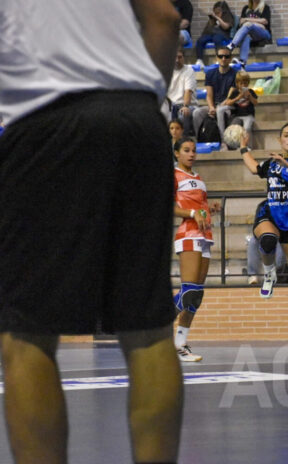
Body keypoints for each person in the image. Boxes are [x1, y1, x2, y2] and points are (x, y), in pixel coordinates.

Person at [0, 1, 183, 463]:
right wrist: (142, 107)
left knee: (27, 334)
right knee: (147, 329)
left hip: (47, 122)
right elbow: (164, 18)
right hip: (141, 121)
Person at [240, 123, 288, 349]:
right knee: (267, 240)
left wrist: (286, 164)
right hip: (271, 212)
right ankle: (269, 274)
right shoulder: (272, 161)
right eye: (286, 135)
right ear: (280, 139)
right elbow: (254, 168)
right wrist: (243, 148)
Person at [172, 138, 221, 362]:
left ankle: (180, 344)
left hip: (205, 235)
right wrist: (193, 214)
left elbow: (198, 207)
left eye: (193, 150)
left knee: (196, 296)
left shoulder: (197, 177)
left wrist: (209, 208)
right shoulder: (173, 175)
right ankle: (153, 329)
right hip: (187, 234)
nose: (191, 154)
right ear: (176, 153)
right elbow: (170, 205)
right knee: (189, 291)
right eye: (186, 150)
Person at [192, 47, 237, 139]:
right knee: (197, 112)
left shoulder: (235, 74)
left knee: (220, 111)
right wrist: (212, 107)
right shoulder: (210, 73)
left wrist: (217, 108)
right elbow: (209, 95)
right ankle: (199, 140)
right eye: (220, 56)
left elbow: (230, 97)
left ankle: (223, 141)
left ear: (230, 58)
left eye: (226, 56)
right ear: (216, 58)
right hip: (215, 104)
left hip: (229, 105)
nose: (223, 59)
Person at [226, 0, 272, 68]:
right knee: (246, 36)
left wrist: (248, 21)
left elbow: (265, 21)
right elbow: (241, 22)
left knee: (248, 24)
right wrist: (257, 23)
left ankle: (232, 45)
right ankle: (242, 61)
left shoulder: (265, 7)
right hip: (251, 34)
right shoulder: (246, 8)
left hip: (263, 33)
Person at [195, 1, 236, 67]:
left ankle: (219, 59)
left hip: (223, 34)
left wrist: (217, 18)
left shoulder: (227, 16)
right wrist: (211, 21)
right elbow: (205, 32)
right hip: (212, 34)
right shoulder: (213, 18)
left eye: (218, 12)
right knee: (200, 40)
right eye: (215, 12)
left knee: (217, 39)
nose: (216, 14)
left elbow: (226, 27)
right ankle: (199, 60)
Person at [167, 48, 198, 135]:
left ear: (184, 58)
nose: (177, 60)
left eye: (180, 57)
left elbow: (188, 91)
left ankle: (183, 139)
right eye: (175, 57)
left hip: (188, 105)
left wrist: (185, 106)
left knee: (183, 113)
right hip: (171, 105)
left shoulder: (189, 71)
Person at [225, 70, 258, 140]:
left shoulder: (251, 91)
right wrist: (238, 98)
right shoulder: (235, 92)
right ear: (237, 84)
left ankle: (248, 146)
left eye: (245, 83)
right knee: (233, 127)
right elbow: (228, 102)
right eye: (241, 83)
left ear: (248, 83)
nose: (243, 85)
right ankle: (235, 145)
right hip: (238, 115)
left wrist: (250, 96)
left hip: (249, 115)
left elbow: (256, 103)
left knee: (247, 128)